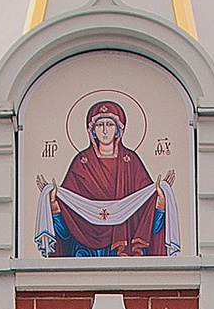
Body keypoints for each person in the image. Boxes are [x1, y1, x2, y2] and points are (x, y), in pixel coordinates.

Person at [37, 100, 174, 256]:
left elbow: (147, 216)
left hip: (124, 245)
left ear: (118, 129)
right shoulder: (82, 163)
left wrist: (161, 199)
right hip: (86, 247)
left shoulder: (130, 161)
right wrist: (53, 201)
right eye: (99, 125)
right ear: (92, 130)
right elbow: (68, 223)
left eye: (110, 125)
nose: (104, 131)